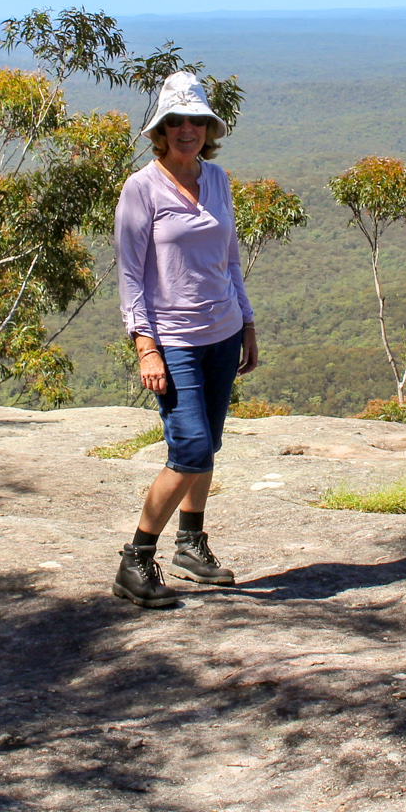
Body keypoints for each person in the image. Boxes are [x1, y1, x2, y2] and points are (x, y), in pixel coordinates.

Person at [111, 70, 259, 608]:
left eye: (196, 120)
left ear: (208, 127)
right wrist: (145, 346)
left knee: (208, 446)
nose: (187, 129)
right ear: (161, 129)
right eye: (176, 121)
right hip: (172, 341)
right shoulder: (141, 188)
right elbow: (129, 275)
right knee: (191, 448)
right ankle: (135, 561)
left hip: (221, 333)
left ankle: (191, 544)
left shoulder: (217, 180)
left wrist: (246, 323)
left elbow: (231, 260)